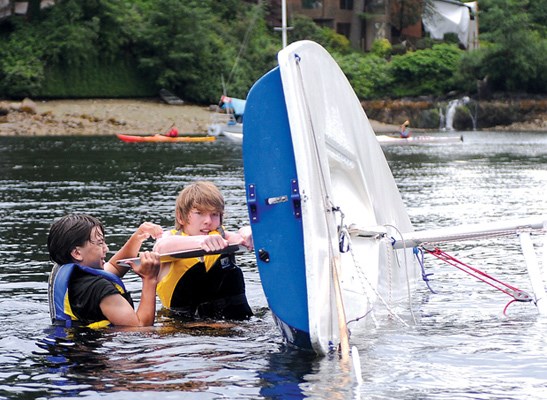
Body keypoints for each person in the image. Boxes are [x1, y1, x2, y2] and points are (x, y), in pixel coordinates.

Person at [153, 181, 254, 321]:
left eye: (214, 214)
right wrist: (200, 242)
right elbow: (161, 247)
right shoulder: (169, 239)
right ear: (181, 217)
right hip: (182, 329)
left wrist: (249, 232)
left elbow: (240, 237)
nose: (208, 221)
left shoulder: (221, 236)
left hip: (232, 324)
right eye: (199, 213)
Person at [47, 213, 163, 328]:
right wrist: (150, 278)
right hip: (102, 344)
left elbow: (115, 267)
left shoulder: (66, 272)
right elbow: (140, 327)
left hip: (67, 343)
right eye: (100, 243)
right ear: (77, 253)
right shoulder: (98, 288)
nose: (106, 248)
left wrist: (138, 237)